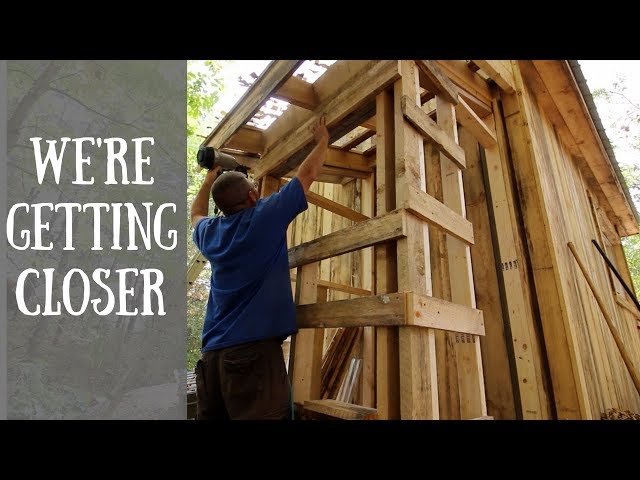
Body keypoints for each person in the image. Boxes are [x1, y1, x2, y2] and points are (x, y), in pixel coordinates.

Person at [190, 117, 329, 420]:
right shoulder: (263, 218)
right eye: (254, 186)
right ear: (253, 196)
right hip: (251, 357)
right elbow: (306, 175)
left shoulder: (211, 233)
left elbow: (196, 213)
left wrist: (209, 179)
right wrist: (322, 141)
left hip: (212, 360)